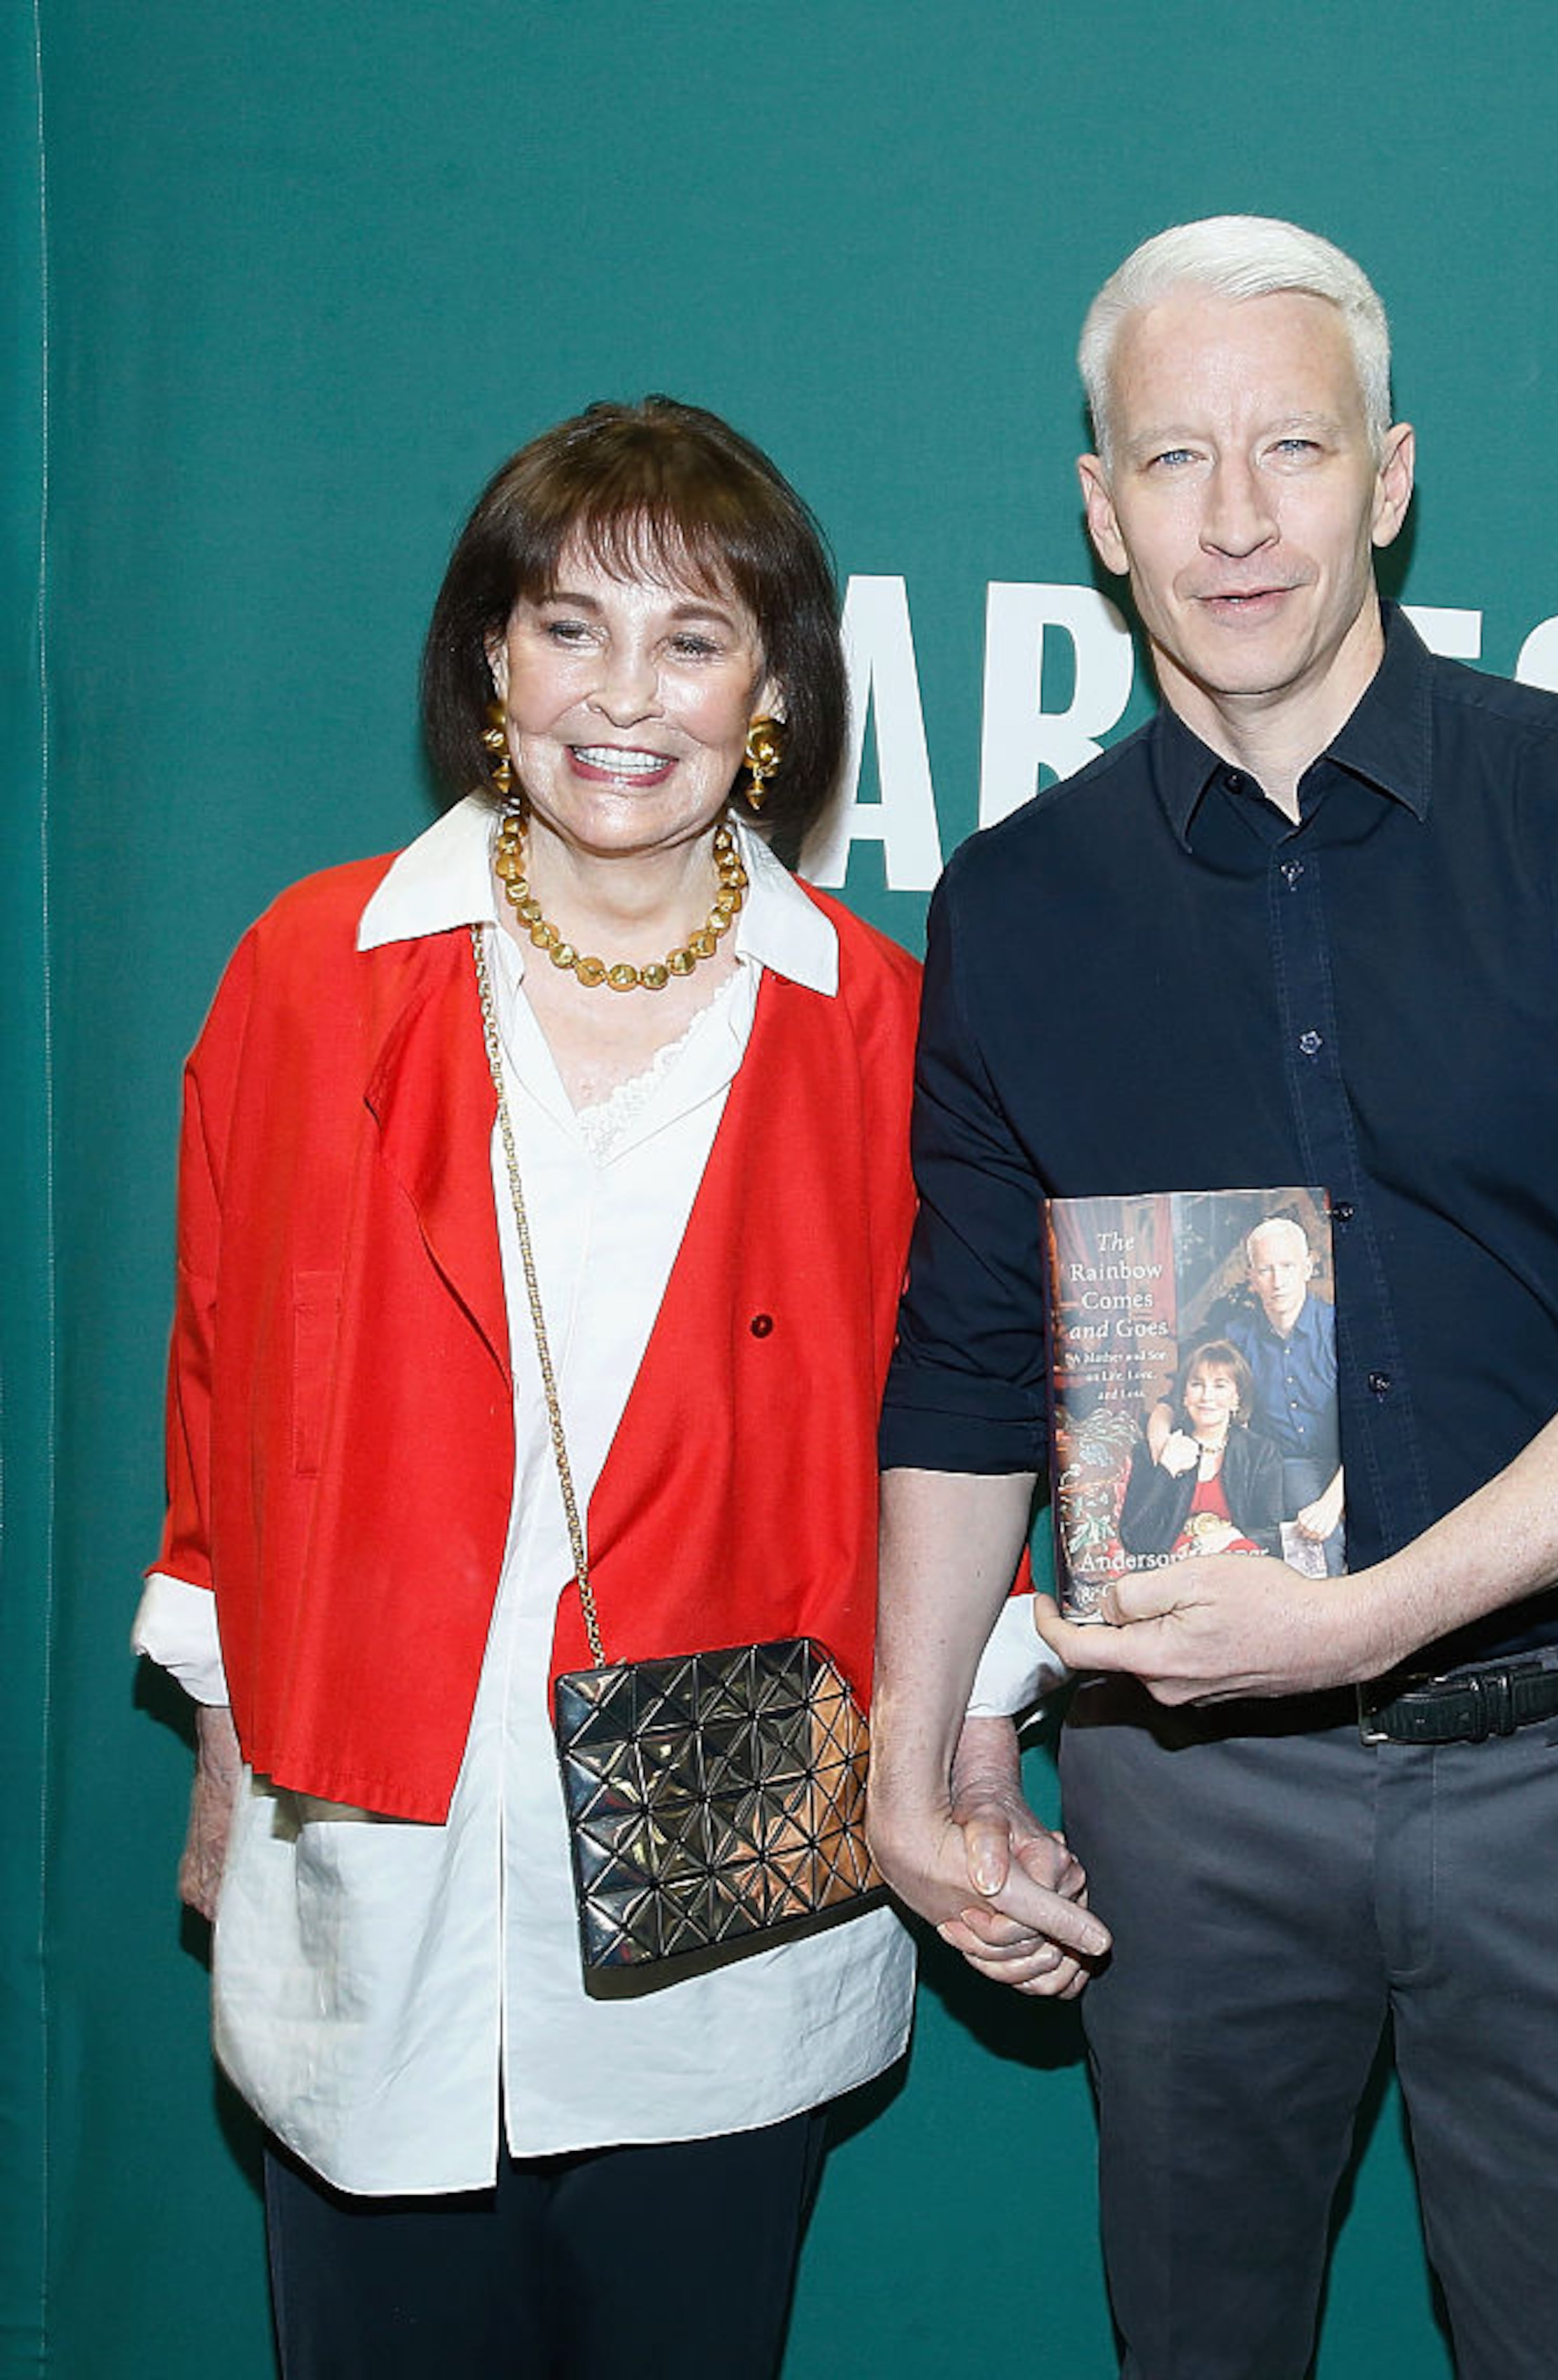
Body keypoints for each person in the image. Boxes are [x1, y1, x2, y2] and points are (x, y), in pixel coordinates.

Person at [869, 217, 1558, 2380]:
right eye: (1174, 459)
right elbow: (971, 1363)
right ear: (1099, 513)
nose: (1236, 518)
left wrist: (1374, 1617)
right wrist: (915, 1754)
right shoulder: (1018, 906)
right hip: (1182, 1815)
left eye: (1290, 446)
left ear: (1386, 475)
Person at [133, 397, 935, 2380]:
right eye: (570, 627)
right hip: (379, 1848)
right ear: (492, 656)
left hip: (725, 1840)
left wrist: (956, 1748)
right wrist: (232, 1723)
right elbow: (224, 1374)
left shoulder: (879, 1028)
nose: (621, 697)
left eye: (690, 638)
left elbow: (956, 1432)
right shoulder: (312, 969)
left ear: (772, 689)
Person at [1146, 1216, 1343, 1561]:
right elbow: (1173, 1401)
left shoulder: (1339, 1329)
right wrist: (1162, 1447)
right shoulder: (1239, 1337)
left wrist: (1332, 1502)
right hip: (1286, 1466)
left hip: (1355, 1461)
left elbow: (1376, 1424)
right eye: (1265, 1269)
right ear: (1251, 1277)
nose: (1278, 1280)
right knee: (1314, 1545)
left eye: (1287, 1266)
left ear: (1308, 1267)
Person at [1118, 1340, 1286, 1560]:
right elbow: (1134, 1538)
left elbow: (1272, 1532)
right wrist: (1166, 1470)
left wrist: (1228, 1536)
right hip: (1174, 1572)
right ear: (1185, 1397)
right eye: (1197, 1385)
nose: (1207, 1397)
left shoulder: (1260, 1453)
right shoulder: (1151, 1450)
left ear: (1237, 1398)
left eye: (1220, 1386)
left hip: (1238, 1565)